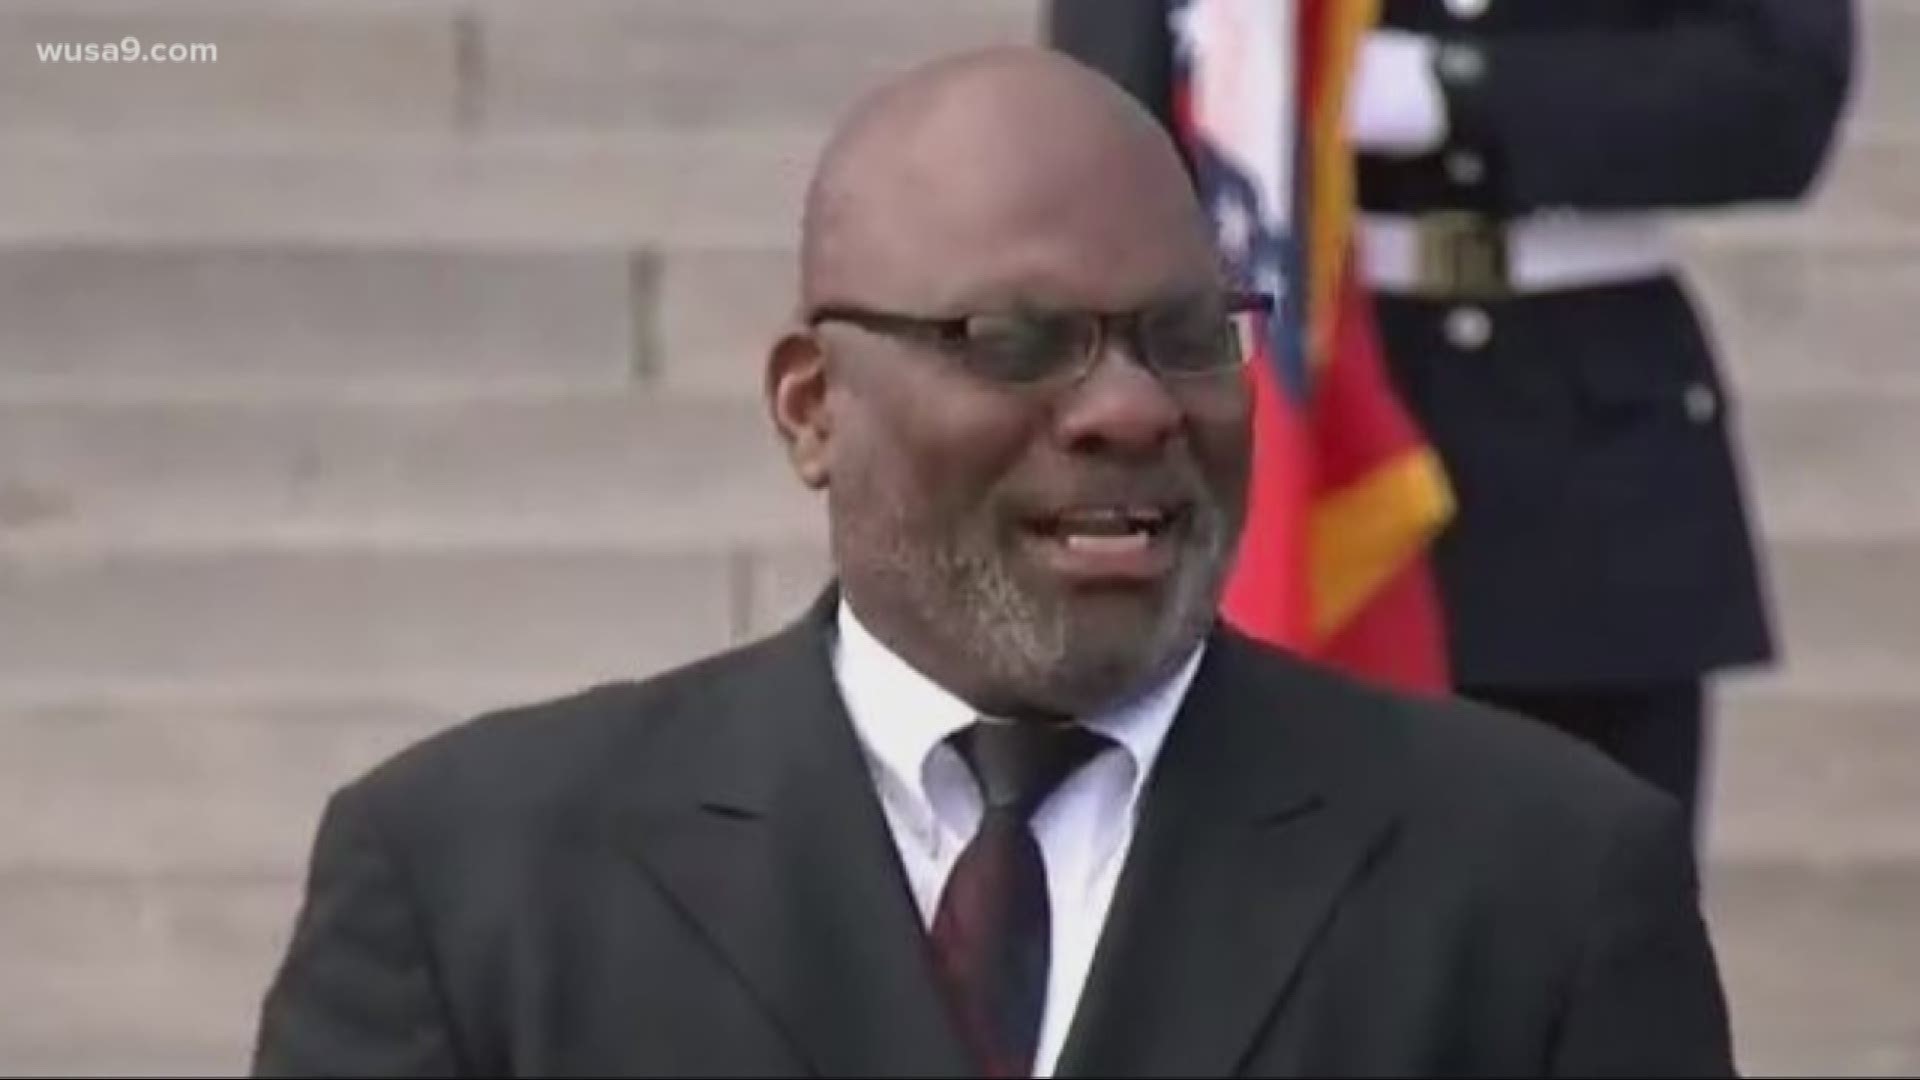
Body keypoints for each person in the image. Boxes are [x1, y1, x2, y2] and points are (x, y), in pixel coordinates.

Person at [250, 46, 1736, 1078]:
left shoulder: (1543, 880)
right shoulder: (468, 881)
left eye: (1183, 335)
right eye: (1017, 343)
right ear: (812, 407)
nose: (1132, 408)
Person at [1047, 0, 1856, 837]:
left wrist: (1458, 91)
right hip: (1292, 410)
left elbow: (1782, 92)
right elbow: (1097, 122)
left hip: (1580, 438)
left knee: (1590, 917)